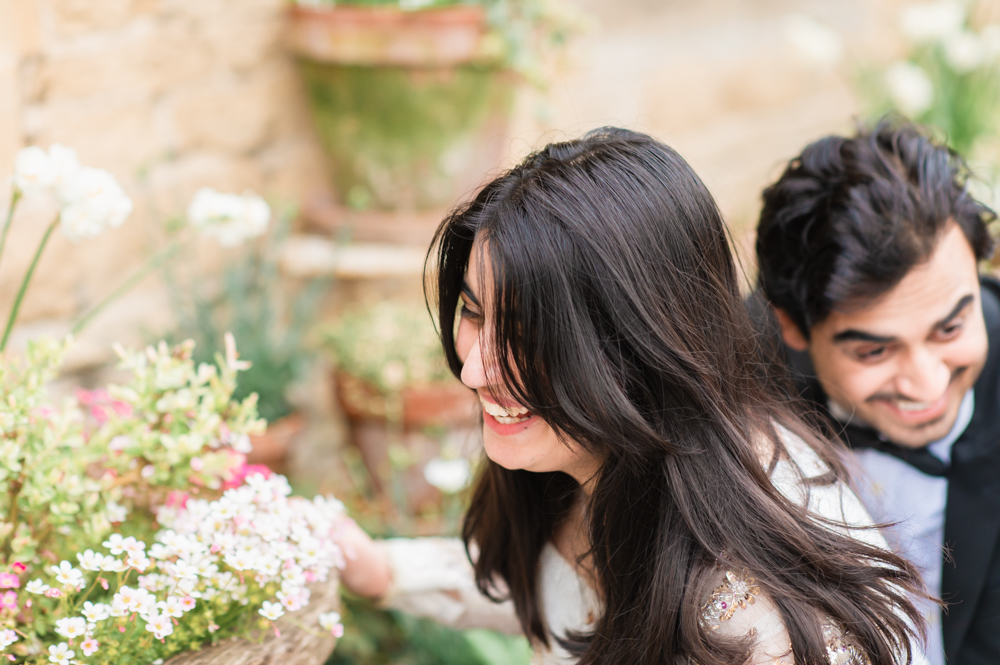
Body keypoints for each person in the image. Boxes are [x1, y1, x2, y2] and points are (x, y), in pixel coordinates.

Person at [337, 127, 928, 665]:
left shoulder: (767, 633)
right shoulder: (587, 458)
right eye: (471, 311)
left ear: (641, 346)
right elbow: (551, 586)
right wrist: (382, 571)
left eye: (524, 331)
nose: (473, 369)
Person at [753, 119, 999, 665]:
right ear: (791, 325)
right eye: (875, 351)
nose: (927, 383)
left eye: (950, 328)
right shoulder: (745, 381)